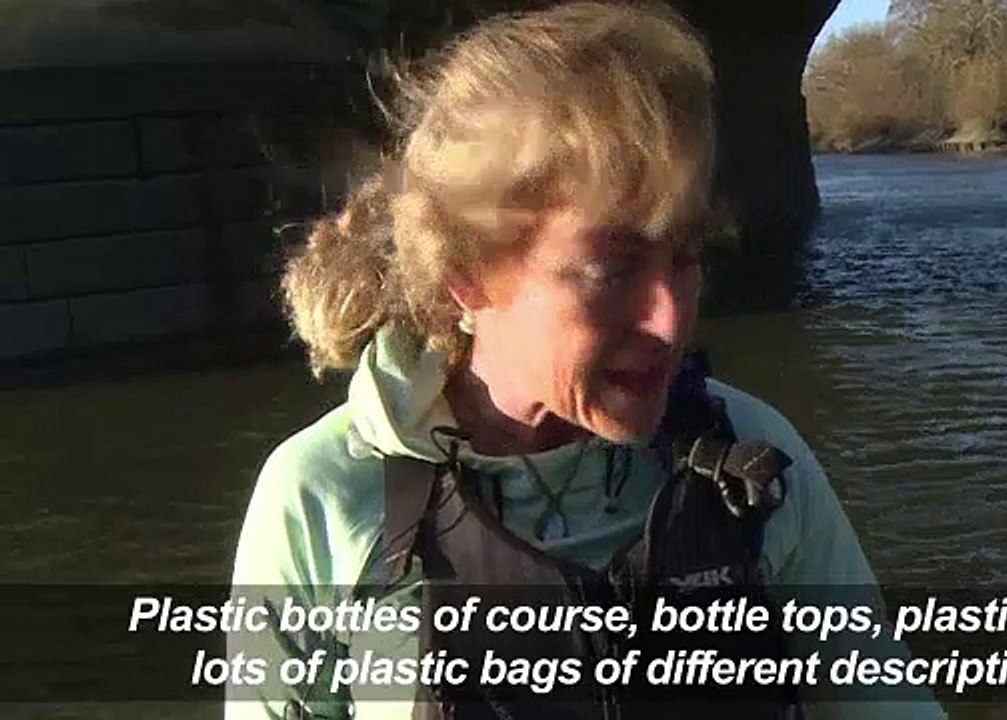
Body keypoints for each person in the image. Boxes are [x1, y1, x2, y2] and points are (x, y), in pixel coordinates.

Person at [227, 2, 946, 719]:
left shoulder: (757, 463)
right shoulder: (321, 497)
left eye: (687, 255)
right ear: (467, 275)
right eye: (611, 268)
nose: (670, 322)